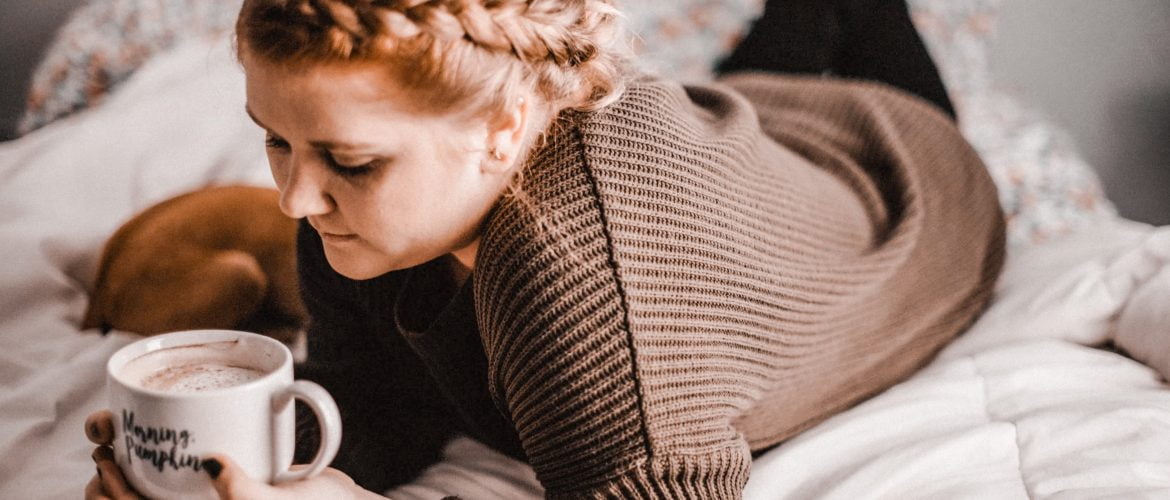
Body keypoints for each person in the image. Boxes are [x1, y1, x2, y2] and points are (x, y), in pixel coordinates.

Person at [85, 0, 1005, 498]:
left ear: (506, 122)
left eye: (351, 161)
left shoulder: (577, 283)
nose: (294, 196)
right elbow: (376, 409)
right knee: (750, 73)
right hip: (733, 132)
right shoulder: (352, 222)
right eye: (276, 140)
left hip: (901, 180)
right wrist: (226, 477)